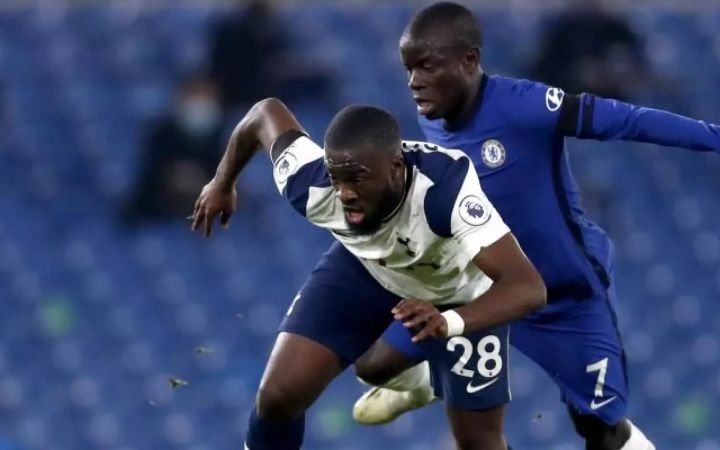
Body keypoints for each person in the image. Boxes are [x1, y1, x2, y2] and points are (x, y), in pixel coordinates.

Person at [348, 3, 720, 449]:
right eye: (409, 69)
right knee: (372, 364)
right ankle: (431, 374)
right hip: (478, 288)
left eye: (427, 67)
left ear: (469, 61)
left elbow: (628, 120)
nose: (414, 82)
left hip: (562, 292)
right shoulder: (433, 119)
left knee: (600, 429)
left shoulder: (525, 105)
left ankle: (443, 367)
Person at [190, 99, 546, 450]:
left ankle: (431, 371)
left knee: (477, 442)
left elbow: (528, 288)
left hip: (462, 295)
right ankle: (422, 383)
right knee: (281, 396)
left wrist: (450, 321)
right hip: (367, 268)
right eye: (336, 178)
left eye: (357, 180)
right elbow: (263, 113)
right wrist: (222, 184)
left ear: (395, 167)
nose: (344, 193)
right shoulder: (310, 184)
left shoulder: (444, 192)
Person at [123, 75, 225, 222]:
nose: (202, 105)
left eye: (207, 98)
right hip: (156, 214)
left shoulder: (221, 140)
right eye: (196, 97)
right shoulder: (162, 136)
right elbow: (149, 180)